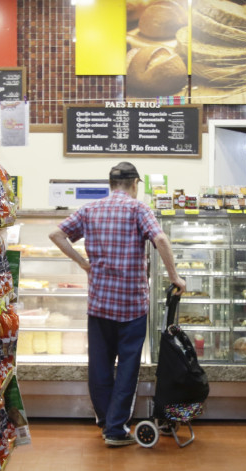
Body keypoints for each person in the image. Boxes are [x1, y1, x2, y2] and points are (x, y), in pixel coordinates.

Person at [49, 162, 186, 447]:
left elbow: (56, 235)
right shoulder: (138, 209)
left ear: (111, 184)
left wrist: (83, 263)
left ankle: (105, 420)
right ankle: (115, 429)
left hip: (99, 304)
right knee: (127, 368)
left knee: (99, 366)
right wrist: (175, 277)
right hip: (131, 306)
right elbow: (160, 238)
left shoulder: (90, 209)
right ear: (135, 184)